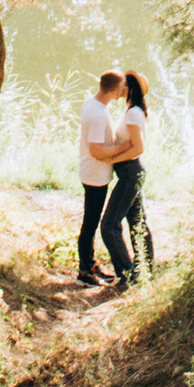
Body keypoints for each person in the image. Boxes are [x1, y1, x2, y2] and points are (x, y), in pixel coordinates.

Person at [100, 67, 157, 287]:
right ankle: (145, 272)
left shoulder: (133, 113)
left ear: (130, 87)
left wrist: (112, 160)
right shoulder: (132, 111)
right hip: (131, 172)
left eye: (124, 82)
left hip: (130, 172)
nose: (120, 85)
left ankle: (128, 275)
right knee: (137, 223)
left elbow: (138, 148)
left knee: (109, 225)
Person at [76, 68, 129, 288]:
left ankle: (90, 264)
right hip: (95, 175)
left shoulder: (93, 103)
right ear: (115, 90)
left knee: (91, 221)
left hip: (92, 171)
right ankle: (85, 271)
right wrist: (123, 147)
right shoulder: (98, 114)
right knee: (90, 223)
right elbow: (97, 151)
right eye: (122, 87)